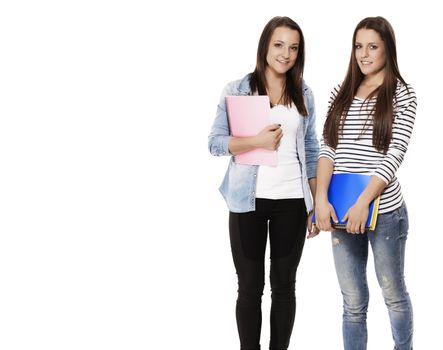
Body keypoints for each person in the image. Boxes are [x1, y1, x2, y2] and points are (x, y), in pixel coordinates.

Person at [208, 16, 319, 350]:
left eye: (293, 48)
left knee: (284, 286)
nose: (285, 54)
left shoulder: (305, 93)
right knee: (249, 287)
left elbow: (312, 150)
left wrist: (315, 204)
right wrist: (255, 141)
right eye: (279, 45)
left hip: (292, 202)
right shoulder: (238, 89)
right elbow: (215, 143)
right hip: (247, 202)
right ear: (265, 46)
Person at [314, 16, 416, 350]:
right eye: (359, 46)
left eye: (373, 46)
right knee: (353, 303)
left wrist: (363, 204)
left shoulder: (403, 95)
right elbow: (328, 148)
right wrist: (320, 201)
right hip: (341, 210)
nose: (364, 54)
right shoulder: (340, 93)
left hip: (383, 213)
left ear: (388, 48)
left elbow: (394, 156)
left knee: (393, 295)